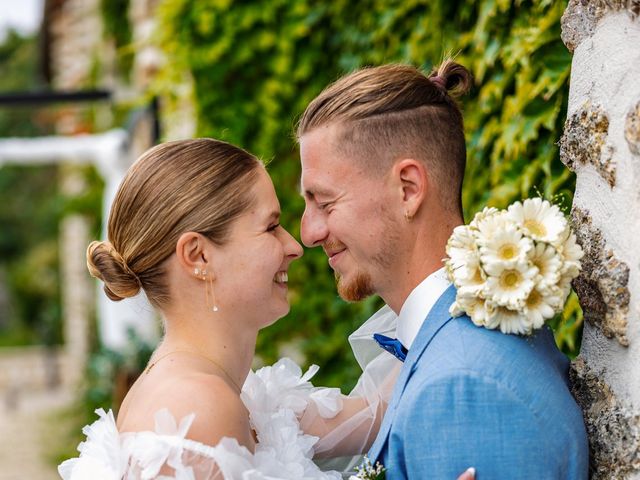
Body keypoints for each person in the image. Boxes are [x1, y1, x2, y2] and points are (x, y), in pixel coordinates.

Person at [59, 138, 476, 480]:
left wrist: (478, 271)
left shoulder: (250, 401)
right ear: (198, 256)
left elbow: (378, 410)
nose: (294, 246)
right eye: (270, 226)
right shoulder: (194, 412)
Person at [297, 60, 590, 478]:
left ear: (408, 189)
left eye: (324, 203)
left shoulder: (462, 387)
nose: (308, 232)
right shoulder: (463, 338)